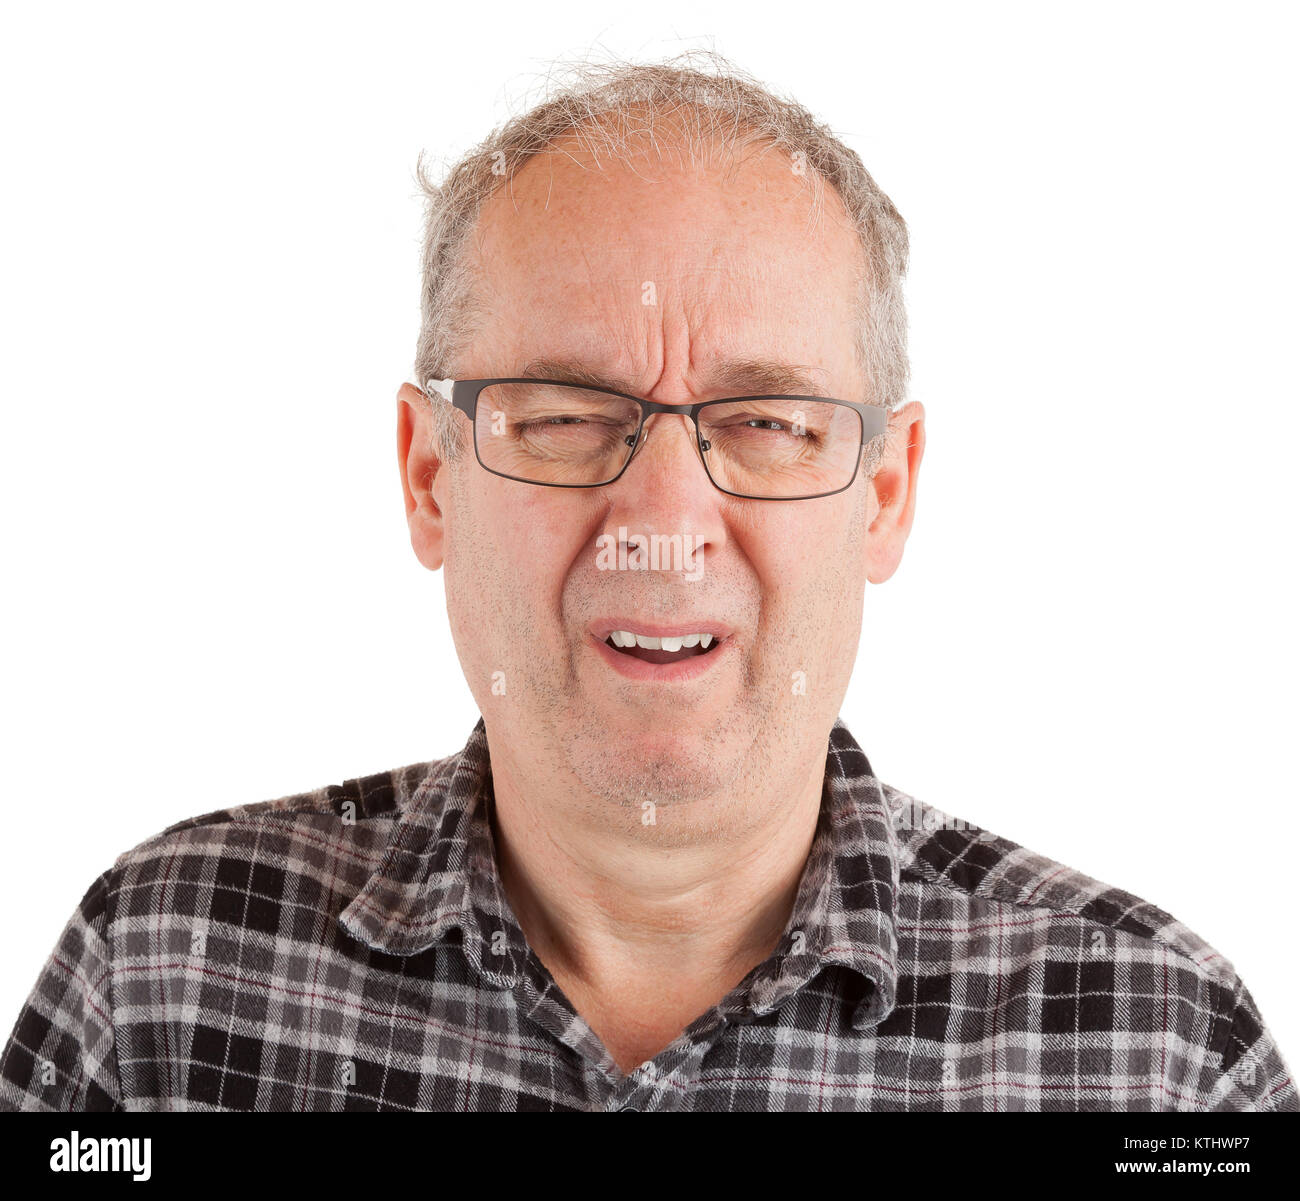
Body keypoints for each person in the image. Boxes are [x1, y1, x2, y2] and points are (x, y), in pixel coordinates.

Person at [2, 52, 1294, 1112]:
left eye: (767, 423)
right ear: (428, 474)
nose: (665, 522)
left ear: (886, 492)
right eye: (563, 415)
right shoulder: (156, 991)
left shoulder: (1162, 1059)